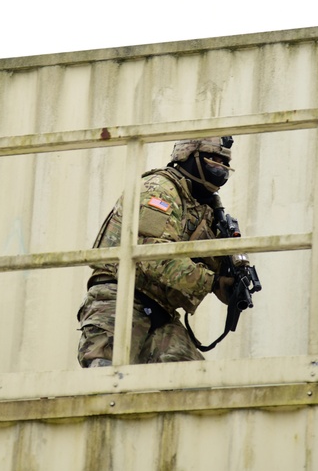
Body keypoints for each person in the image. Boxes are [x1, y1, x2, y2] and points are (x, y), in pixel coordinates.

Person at [77, 136, 238, 367]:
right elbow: (152, 256)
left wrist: (230, 273)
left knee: (192, 387)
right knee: (104, 383)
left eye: (224, 162)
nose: (220, 167)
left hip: (161, 314)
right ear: (188, 156)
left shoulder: (202, 209)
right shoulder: (160, 189)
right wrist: (212, 282)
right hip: (120, 298)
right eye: (212, 159)